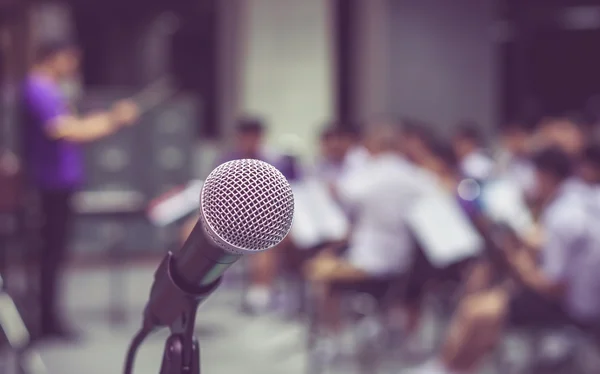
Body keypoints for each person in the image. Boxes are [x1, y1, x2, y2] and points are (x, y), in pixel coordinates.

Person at [419, 146, 600, 374]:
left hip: (575, 309)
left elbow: (554, 287)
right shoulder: (583, 199)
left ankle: (447, 368)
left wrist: (518, 261)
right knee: (488, 289)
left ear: (546, 176)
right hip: (589, 299)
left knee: (476, 311)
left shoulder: (562, 216)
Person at [21, 39, 139, 340]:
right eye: (70, 60)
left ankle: (49, 318)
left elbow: (76, 124)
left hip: (59, 184)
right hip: (50, 185)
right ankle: (46, 322)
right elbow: (66, 130)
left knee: (56, 254)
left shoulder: (50, 89)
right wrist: (114, 119)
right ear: (54, 58)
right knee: (50, 255)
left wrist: (112, 119)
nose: (73, 67)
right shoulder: (39, 88)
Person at [304, 123, 438, 356]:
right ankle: (390, 329)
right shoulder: (416, 175)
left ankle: (333, 336)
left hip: (370, 260)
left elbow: (341, 194)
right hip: (403, 260)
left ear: (376, 145)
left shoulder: (369, 174)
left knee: (319, 272)